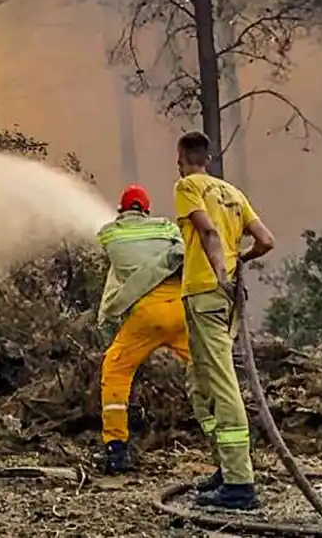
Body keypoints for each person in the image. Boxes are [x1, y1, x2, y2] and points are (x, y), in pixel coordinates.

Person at [174, 131, 276, 511]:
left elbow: (208, 230)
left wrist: (220, 270)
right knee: (198, 382)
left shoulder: (187, 186)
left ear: (181, 157)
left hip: (205, 293)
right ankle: (226, 465)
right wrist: (239, 262)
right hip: (224, 297)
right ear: (209, 158)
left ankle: (239, 485)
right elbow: (266, 240)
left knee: (220, 380)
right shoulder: (234, 193)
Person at [94, 184, 188, 475]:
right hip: (183, 311)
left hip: (148, 315)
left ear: (123, 210)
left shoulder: (111, 234)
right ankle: (231, 442)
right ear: (146, 210)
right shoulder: (167, 229)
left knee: (116, 369)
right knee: (208, 371)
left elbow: (116, 267)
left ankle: (116, 449)